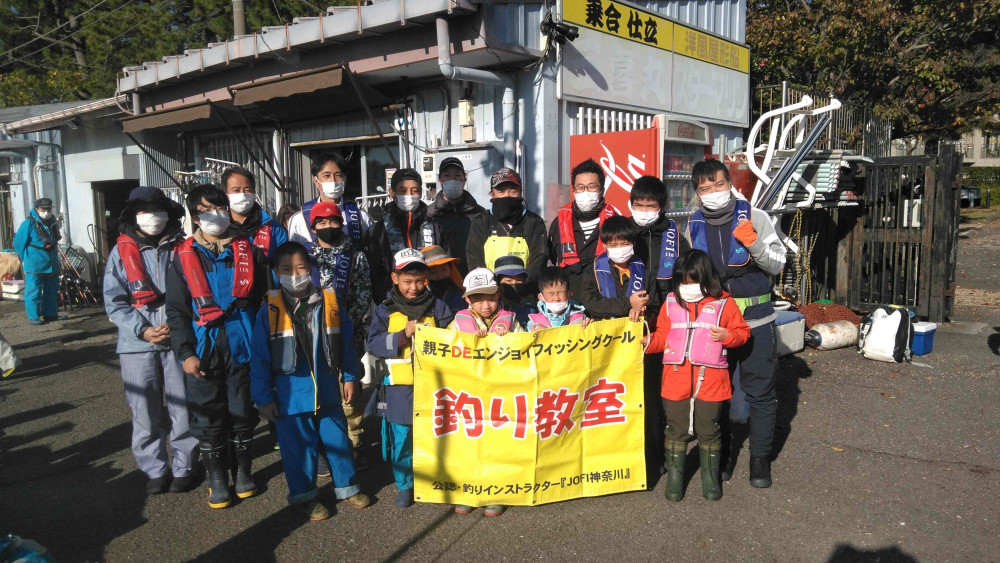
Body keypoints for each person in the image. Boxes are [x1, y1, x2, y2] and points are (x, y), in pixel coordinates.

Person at [249, 242, 372, 521]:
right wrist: (264, 397)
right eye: (287, 269)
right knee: (298, 450)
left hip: (328, 391)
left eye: (302, 267)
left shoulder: (329, 301)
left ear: (311, 269)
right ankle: (305, 496)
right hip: (291, 397)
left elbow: (346, 346)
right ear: (276, 272)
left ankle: (348, 487)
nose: (295, 274)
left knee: (338, 441)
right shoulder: (268, 309)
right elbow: (259, 358)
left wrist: (351, 376)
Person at [165, 184, 270, 509]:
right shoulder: (183, 256)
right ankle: (216, 479)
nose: (216, 215)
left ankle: (242, 472)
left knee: (241, 410)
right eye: (206, 210)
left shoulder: (248, 250)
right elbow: (177, 310)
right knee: (208, 416)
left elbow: (264, 298)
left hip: (243, 341)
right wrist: (185, 352)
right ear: (195, 216)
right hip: (203, 345)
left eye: (220, 207)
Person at [687, 158, 786, 488]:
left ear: (730, 183)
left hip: (757, 321)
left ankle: (760, 460)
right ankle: (726, 453)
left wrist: (754, 242)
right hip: (717, 327)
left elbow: (777, 264)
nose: (713, 192)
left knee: (761, 394)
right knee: (719, 395)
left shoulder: (756, 217)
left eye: (718, 184)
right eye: (704, 188)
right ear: (697, 194)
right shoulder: (694, 224)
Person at [103, 186, 198, 495]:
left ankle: (185, 466)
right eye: (143, 210)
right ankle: (154, 468)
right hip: (136, 344)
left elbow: (197, 291)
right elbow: (114, 301)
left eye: (157, 209)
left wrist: (178, 326)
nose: (152, 216)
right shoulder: (120, 252)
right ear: (133, 215)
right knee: (144, 410)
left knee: (183, 407)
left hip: (178, 340)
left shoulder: (184, 247)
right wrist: (142, 329)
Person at [644, 250, 750, 502]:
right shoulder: (671, 302)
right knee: (675, 429)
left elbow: (743, 333)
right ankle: (675, 481)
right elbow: (662, 335)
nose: (687, 287)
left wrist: (728, 336)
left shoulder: (725, 303)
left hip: (712, 380)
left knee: (709, 430)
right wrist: (648, 342)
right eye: (682, 281)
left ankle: (710, 482)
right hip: (675, 377)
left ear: (706, 279)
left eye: (692, 281)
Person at [366, 248, 453, 508]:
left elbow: (453, 334)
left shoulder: (438, 305)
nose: (414, 287)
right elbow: (373, 343)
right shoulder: (384, 310)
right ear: (395, 278)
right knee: (402, 436)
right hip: (399, 387)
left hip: (435, 384)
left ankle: (435, 479)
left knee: (436, 433)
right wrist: (403, 334)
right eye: (407, 281)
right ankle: (405, 483)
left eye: (419, 281)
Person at [447, 267, 523, 518]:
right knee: (468, 444)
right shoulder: (458, 322)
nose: (486, 305)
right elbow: (443, 350)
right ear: (467, 299)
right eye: (478, 299)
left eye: (491, 297)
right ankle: (468, 491)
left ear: (499, 294)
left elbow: (528, 347)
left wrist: (509, 338)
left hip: (501, 396)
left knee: (498, 444)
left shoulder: (511, 320)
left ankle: (497, 491)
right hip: (469, 395)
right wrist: (467, 340)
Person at [629, 175, 686, 480]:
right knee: (630, 391)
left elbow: (685, 278)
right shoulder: (624, 233)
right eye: (639, 204)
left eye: (651, 205)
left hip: (664, 322)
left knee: (658, 393)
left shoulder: (675, 236)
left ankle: (659, 454)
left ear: (662, 207)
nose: (644, 210)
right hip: (630, 322)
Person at [307, 201, 372, 467]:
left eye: (333, 222)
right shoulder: (306, 257)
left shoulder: (355, 256)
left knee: (350, 390)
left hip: (348, 334)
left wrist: (347, 323)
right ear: (313, 227)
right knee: (320, 390)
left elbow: (363, 292)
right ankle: (325, 446)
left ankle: (354, 441)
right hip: (314, 336)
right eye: (321, 223)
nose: (328, 227)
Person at [368, 168, 445, 300]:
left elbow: (443, 266)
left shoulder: (434, 225)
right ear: (392, 193)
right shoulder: (379, 228)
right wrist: (381, 299)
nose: (409, 195)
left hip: (430, 299)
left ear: (420, 193)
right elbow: (374, 270)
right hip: (392, 300)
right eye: (403, 191)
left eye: (414, 191)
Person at [548, 159, 621, 296]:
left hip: (606, 302)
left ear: (602, 190)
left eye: (592, 187)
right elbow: (552, 259)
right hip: (570, 304)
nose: (585, 192)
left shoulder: (616, 224)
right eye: (580, 187)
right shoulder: (558, 224)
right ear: (574, 191)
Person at [466, 168, 548, 292]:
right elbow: (474, 258)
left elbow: (539, 258)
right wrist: (491, 286)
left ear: (521, 192)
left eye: (512, 191)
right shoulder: (481, 222)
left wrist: (521, 284)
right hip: (490, 293)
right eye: (501, 191)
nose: (507, 196)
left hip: (526, 292)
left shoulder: (534, 222)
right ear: (492, 194)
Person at [287, 152, 372, 252]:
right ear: (316, 181)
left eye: (338, 175)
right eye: (327, 176)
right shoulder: (299, 219)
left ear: (345, 179)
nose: (333, 181)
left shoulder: (360, 216)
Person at [425, 157, 486, 276]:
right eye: (447, 176)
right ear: (440, 181)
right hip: (441, 278)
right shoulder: (429, 214)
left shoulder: (480, 213)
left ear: (464, 180)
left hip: (474, 276)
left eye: (457, 175)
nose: (452, 180)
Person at [580, 216, 647, 321]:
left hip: (633, 332)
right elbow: (591, 303)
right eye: (613, 245)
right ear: (604, 246)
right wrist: (629, 303)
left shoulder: (643, 269)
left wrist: (643, 312)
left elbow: (653, 305)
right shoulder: (593, 270)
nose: (620, 249)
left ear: (633, 243)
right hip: (604, 332)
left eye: (625, 244)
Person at [13, 198, 65, 325]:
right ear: (36, 209)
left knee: (51, 290)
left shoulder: (53, 222)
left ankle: (51, 314)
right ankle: (33, 316)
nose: (46, 211)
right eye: (43, 209)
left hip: (51, 263)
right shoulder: (28, 224)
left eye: (48, 209)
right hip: (34, 264)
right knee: (33, 291)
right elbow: (18, 242)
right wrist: (25, 258)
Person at [222, 166, 288, 260]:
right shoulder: (219, 229)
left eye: (247, 189)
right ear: (226, 195)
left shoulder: (274, 228)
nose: (243, 195)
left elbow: (283, 264)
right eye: (236, 190)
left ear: (254, 193)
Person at [526, 266, 589, 331]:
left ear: (569, 294)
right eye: (551, 294)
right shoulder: (534, 322)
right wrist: (533, 335)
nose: (556, 298)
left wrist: (588, 327)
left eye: (560, 293)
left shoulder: (580, 318)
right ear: (541, 297)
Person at [492, 255, 535, 326]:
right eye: (509, 281)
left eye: (519, 280)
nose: (514, 283)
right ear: (498, 283)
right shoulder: (491, 308)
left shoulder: (529, 309)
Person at [422, 244, 466, 312]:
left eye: (444, 269)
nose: (440, 276)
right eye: (433, 273)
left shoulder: (464, 295)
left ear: (450, 268)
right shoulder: (421, 299)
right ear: (424, 276)